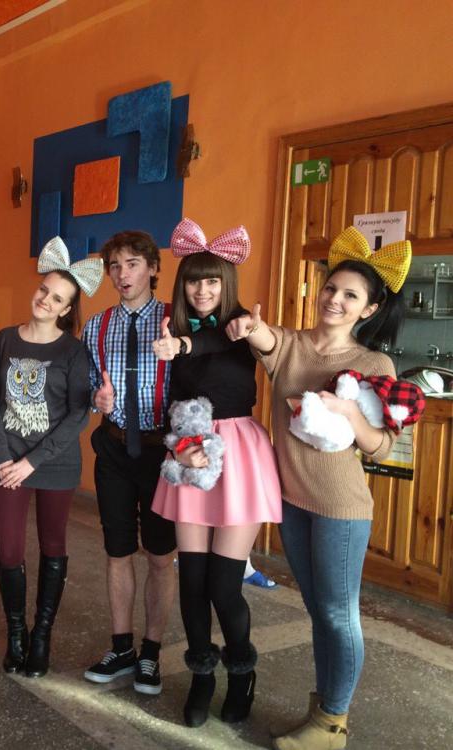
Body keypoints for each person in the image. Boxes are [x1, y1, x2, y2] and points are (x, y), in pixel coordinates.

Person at [225, 226, 409, 749]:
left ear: (369, 310)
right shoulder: (294, 345)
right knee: (319, 611)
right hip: (291, 501)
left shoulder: (374, 365)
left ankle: (332, 723)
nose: (335, 300)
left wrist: (349, 410)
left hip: (339, 507)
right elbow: (266, 338)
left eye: (350, 295)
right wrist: (249, 326)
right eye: (331, 289)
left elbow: (380, 447)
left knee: (337, 614)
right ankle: (324, 707)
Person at [150, 219, 282, 727]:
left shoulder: (242, 326)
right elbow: (176, 403)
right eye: (193, 281)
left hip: (240, 457)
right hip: (193, 455)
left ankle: (242, 671)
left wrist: (185, 346)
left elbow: (221, 342)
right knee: (192, 582)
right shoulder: (176, 329)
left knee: (225, 587)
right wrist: (181, 450)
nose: (202, 290)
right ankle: (202, 675)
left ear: (226, 283)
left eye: (211, 281)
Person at [0, 237, 100, 678]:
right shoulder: (5, 339)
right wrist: (5, 457)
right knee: (9, 549)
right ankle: (16, 632)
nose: (45, 300)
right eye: (44, 290)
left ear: (67, 309)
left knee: (53, 545)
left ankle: (42, 634)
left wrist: (33, 461)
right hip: (7, 463)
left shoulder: (73, 351)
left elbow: (78, 413)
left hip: (54, 464)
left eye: (57, 299)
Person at [81, 230, 177, 695]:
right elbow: (84, 385)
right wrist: (94, 398)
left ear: (153, 268)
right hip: (115, 448)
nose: (122, 274)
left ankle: (151, 653)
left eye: (133, 264)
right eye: (115, 266)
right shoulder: (95, 326)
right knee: (117, 551)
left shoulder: (175, 320)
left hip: (162, 452)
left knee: (160, 556)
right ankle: (121, 648)